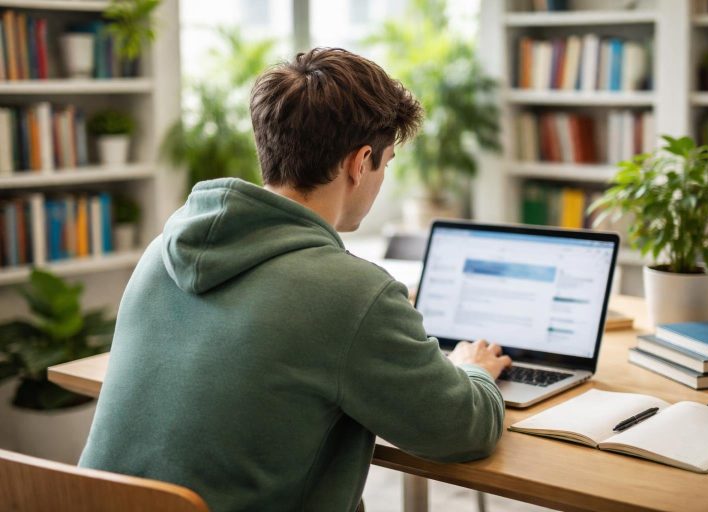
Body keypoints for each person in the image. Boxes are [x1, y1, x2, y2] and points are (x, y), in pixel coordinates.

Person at [79, 47, 512, 512]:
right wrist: (472, 368)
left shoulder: (160, 253)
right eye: (385, 164)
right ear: (360, 162)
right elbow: (463, 431)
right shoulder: (352, 293)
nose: (381, 177)